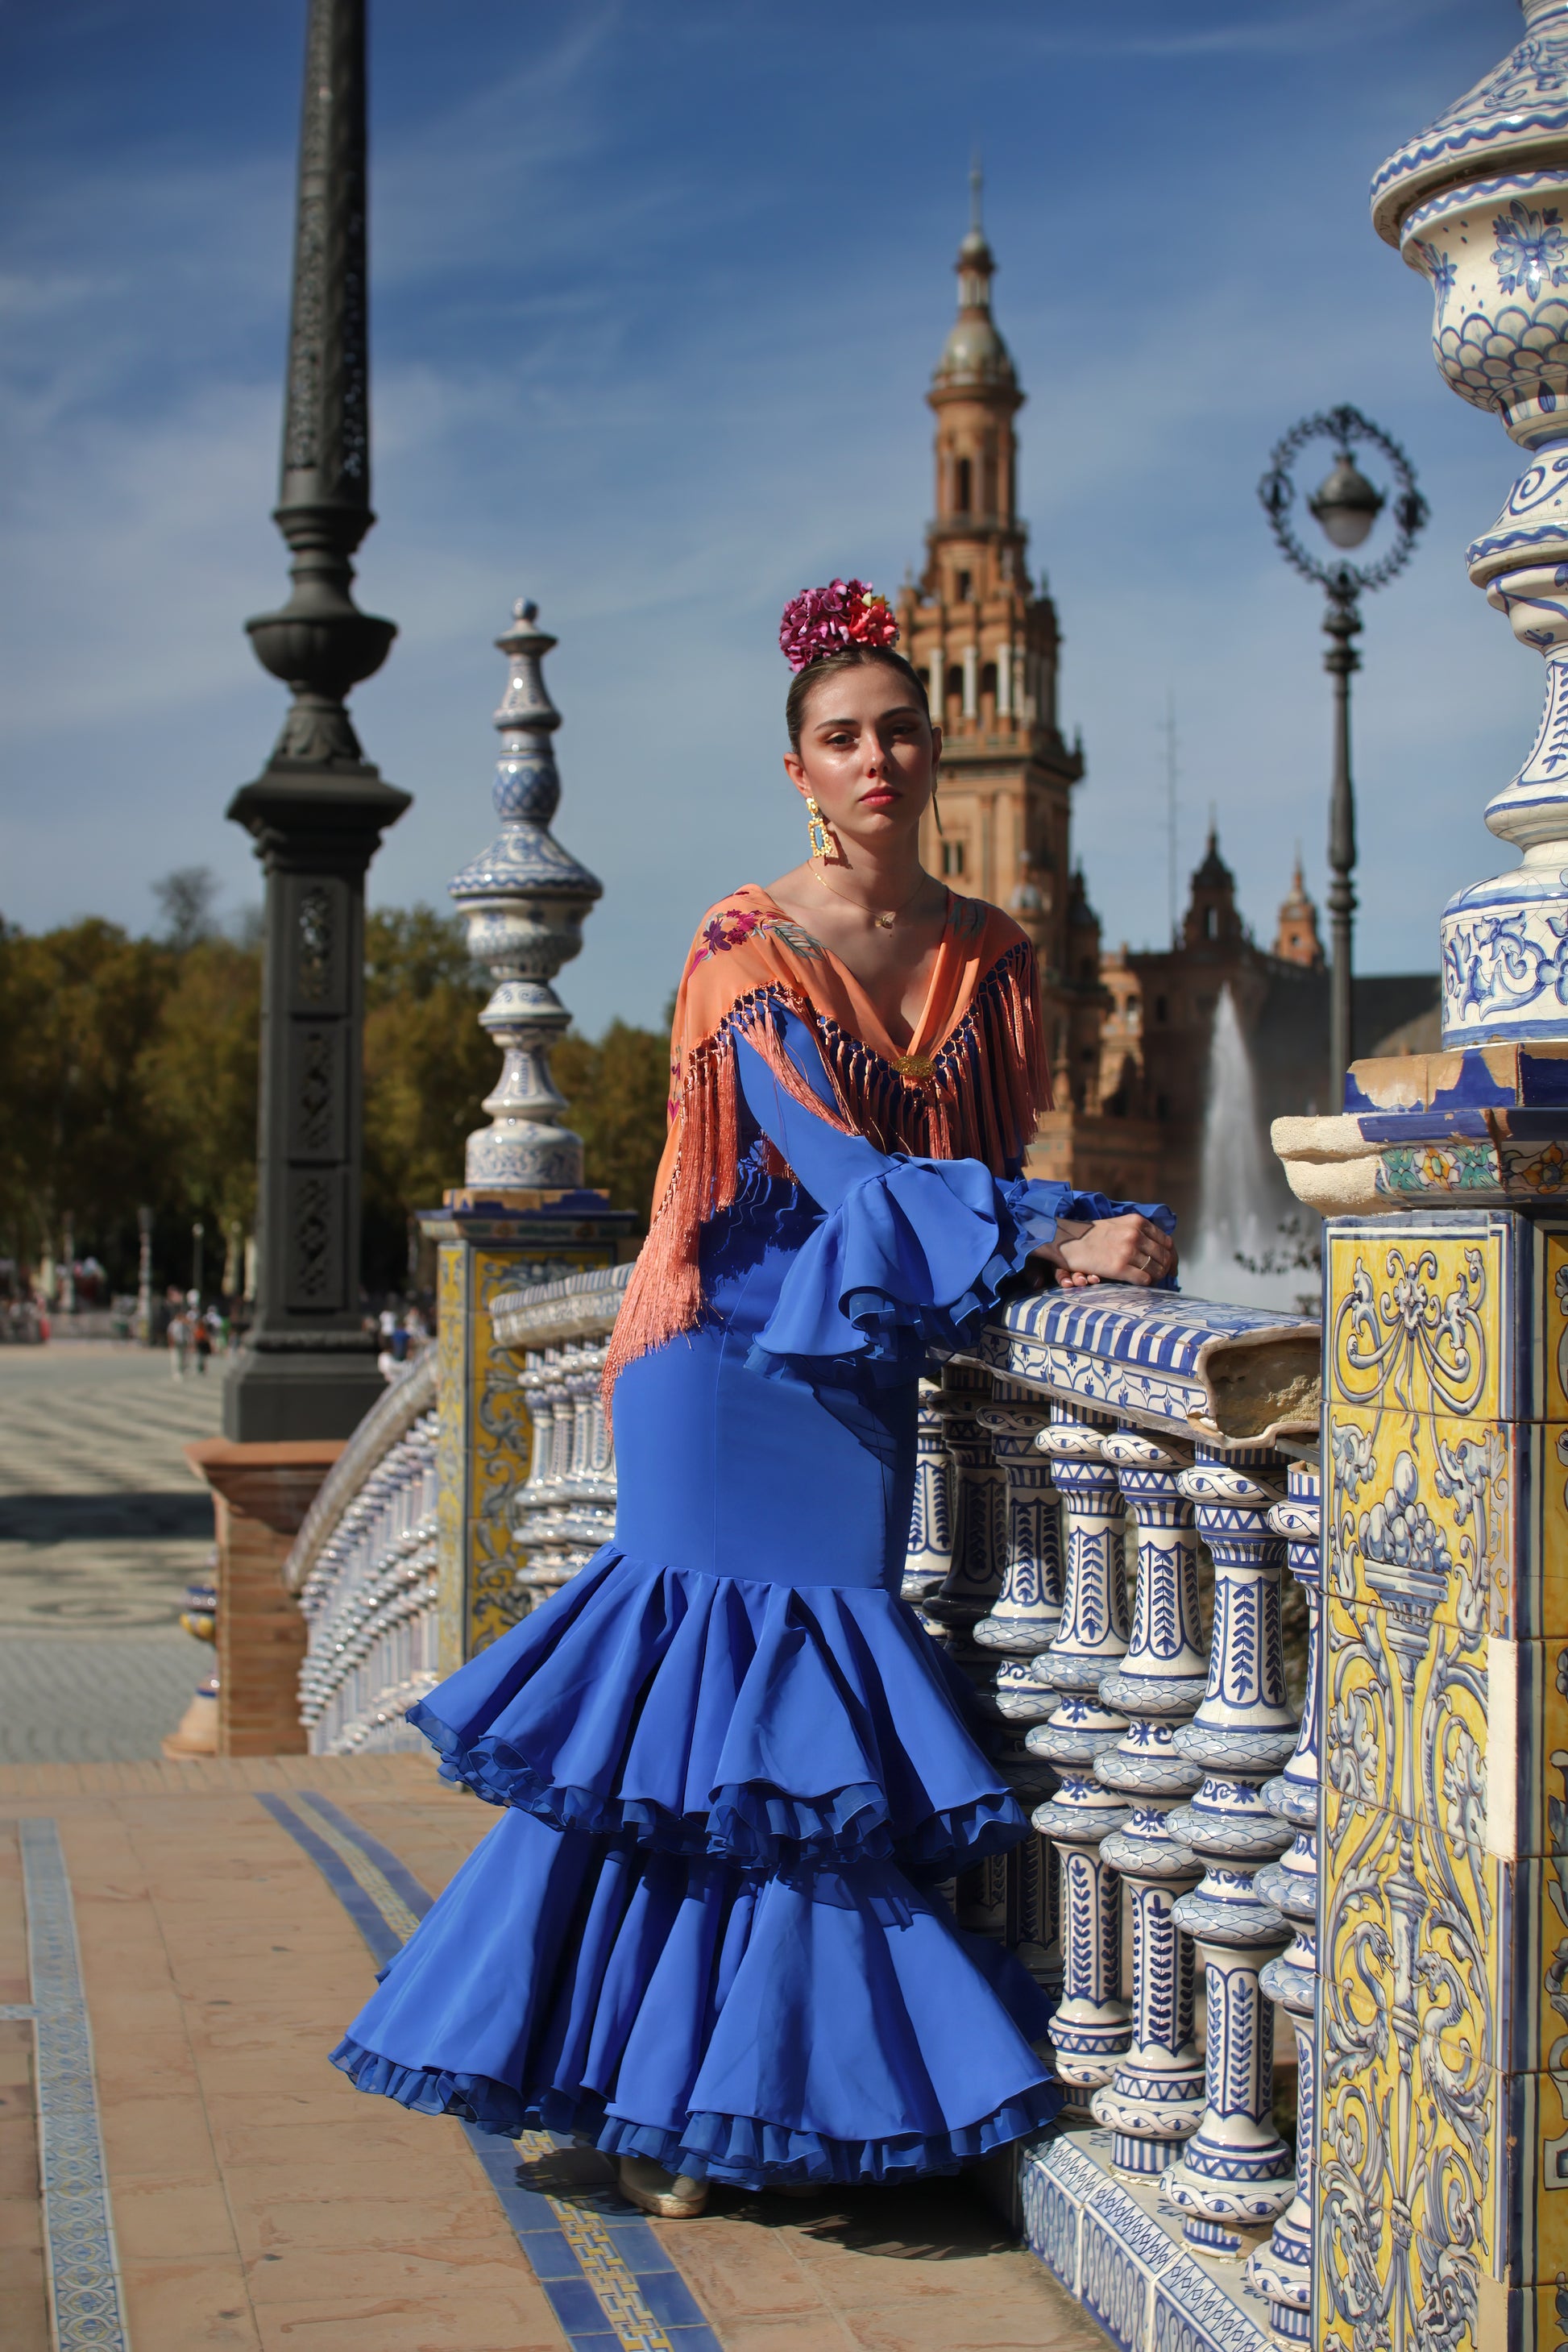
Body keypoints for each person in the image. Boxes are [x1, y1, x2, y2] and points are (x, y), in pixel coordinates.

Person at [331, 581, 1176, 2218]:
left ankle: (706, 2103)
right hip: (718, 1365)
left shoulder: (993, 959)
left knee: (794, 1765)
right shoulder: (745, 949)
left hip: (852, 1381)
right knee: (684, 1740)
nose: (876, 758)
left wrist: (1037, 1221)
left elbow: (967, 1165)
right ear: (797, 768)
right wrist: (1057, 1226)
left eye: (898, 731)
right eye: (842, 737)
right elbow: (846, 1171)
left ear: (934, 754)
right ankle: (637, 2093)